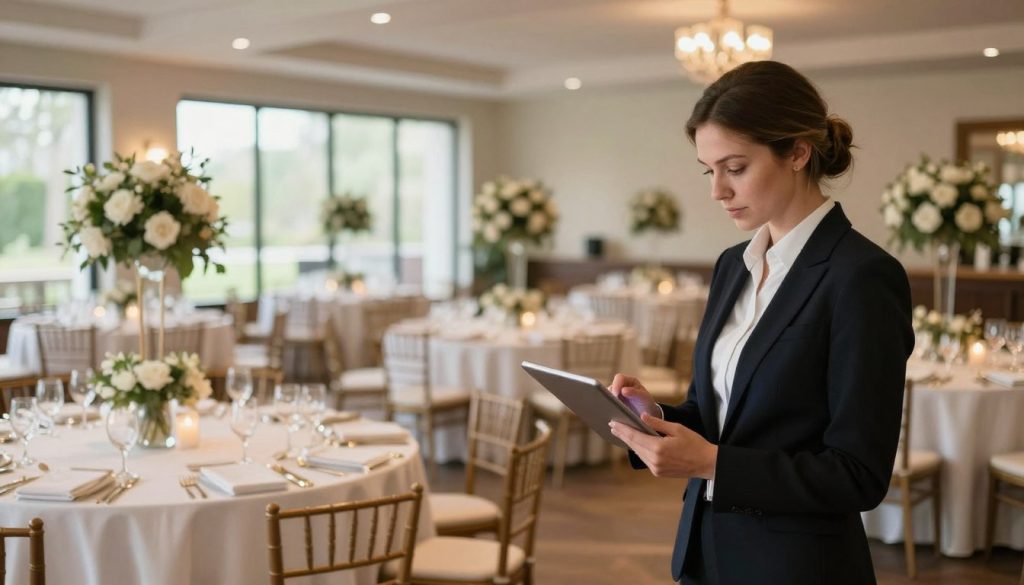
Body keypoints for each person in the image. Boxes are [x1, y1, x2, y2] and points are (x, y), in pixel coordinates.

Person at [608, 61, 913, 585]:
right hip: (704, 553)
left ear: (797, 151)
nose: (717, 191)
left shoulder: (862, 277)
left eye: (736, 167)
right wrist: (655, 417)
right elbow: (719, 414)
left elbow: (858, 475)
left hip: (796, 567)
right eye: (710, 170)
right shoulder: (733, 265)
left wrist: (711, 464)